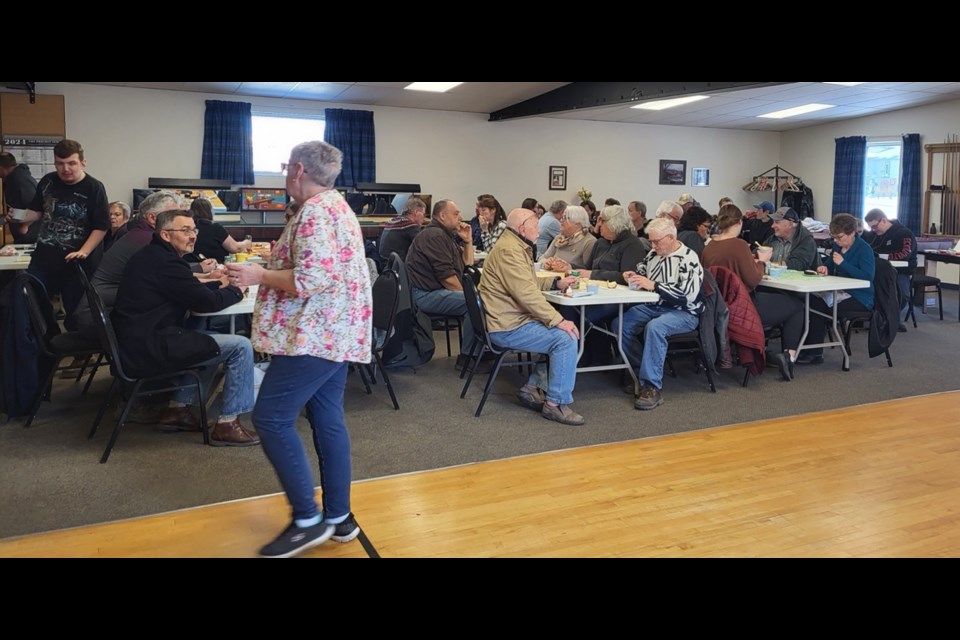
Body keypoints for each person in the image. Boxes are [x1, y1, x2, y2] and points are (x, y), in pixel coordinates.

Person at [224, 140, 372, 559]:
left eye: (288, 165)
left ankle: (307, 519)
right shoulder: (335, 207)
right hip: (335, 333)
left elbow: (311, 280)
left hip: (316, 335)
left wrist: (257, 274)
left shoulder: (315, 213)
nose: (286, 171)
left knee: (270, 418)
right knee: (327, 419)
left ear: (299, 170)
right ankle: (340, 517)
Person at [112, 209, 260, 446]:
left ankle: (178, 411)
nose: (192, 236)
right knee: (240, 346)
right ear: (166, 235)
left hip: (136, 339)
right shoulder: (166, 263)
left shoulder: (154, 257)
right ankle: (228, 424)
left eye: (194, 230)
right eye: (185, 230)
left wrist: (220, 288)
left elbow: (191, 293)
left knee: (204, 337)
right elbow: (206, 302)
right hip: (149, 346)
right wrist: (236, 290)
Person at [479, 208, 584, 425]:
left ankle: (532, 387)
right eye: (536, 225)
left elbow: (527, 284)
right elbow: (526, 294)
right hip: (507, 326)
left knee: (561, 331)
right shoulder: (510, 251)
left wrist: (556, 283)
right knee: (566, 338)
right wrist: (558, 321)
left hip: (507, 319)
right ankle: (555, 404)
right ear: (522, 227)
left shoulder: (512, 245)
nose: (540, 229)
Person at [701, 204, 803, 380]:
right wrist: (762, 261)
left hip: (717, 306)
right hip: (743, 307)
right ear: (739, 222)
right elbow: (753, 279)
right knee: (796, 306)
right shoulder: (739, 245)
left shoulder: (709, 246)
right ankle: (789, 356)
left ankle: (769, 351)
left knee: (780, 302)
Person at [614, 217, 704, 411]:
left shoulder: (689, 258)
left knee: (656, 328)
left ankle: (651, 386)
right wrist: (634, 275)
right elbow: (643, 268)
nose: (653, 246)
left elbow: (687, 296)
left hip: (683, 312)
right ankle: (638, 372)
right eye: (651, 241)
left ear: (671, 237)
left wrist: (654, 285)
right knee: (620, 324)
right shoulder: (654, 253)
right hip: (654, 306)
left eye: (657, 241)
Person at [21, 139, 109, 331]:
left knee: (75, 313)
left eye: (71, 163)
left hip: (76, 262)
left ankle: (78, 354)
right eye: (60, 163)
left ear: (82, 163)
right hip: (44, 258)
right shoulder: (48, 181)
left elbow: (101, 227)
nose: (65, 168)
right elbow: (37, 211)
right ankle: (46, 345)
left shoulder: (94, 187)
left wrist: (84, 251)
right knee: (32, 304)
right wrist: (21, 217)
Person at [405, 198, 476, 367]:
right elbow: (448, 280)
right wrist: (472, 296)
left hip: (432, 291)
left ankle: (478, 351)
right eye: (456, 213)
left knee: (478, 300)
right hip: (424, 295)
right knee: (476, 304)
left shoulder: (444, 234)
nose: (460, 217)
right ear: (443, 216)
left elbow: (468, 263)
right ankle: (468, 358)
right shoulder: (435, 236)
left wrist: (468, 241)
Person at [800, 213, 876, 365]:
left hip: (860, 297)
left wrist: (843, 264)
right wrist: (824, 267)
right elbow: (830, 264)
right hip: (841, 291)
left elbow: (867, 278)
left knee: (818, 307)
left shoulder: (864, 249)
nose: (836, 241)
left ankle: (815, 352)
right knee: (811, 302)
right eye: (834, 237)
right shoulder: (838, 246)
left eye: (840, 237)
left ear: (852, 233)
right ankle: (810, 349)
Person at [864, 208, 916, 320]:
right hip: (879, 270)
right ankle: (876, 316)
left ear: (883, 220)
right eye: (871, 227)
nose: (873, 230)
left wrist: (880, 256)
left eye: (874, 226)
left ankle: (892, 319)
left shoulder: (904, 233)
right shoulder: (874, 235)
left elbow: (904, 255)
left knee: (902, 294)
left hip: (900, 272)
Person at [188, 197, 250, 263]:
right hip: (215, 268)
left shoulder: (188, 228)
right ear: (209, 211)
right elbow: (236, 248)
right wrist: (246, 243)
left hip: (191, 268)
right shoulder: (215, 228)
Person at [761, 206, 820, 272]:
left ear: (790, 224)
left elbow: (799, 264)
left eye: (777, 222)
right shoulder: (772, 239)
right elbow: (759, 251)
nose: (772, 226)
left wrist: (773, 265)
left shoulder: (806, 240)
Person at [540, 205, 597, 270]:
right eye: (561, 218)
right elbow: (542, 258)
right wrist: (546, 262)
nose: (561, 221)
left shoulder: (589, 242)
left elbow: (587, 269)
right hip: (553, 277)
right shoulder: (559, 239)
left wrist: (568, 268)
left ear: (577, 223)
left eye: (565, 218)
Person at [0, 151, 39, 244]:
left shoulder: (20, 180)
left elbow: (36, 206)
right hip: (23, 234)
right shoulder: (13, 179)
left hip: (30, 235)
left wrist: (25, 225)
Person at [378, 196, 426, 262]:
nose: (424, 218)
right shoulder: (410, 226)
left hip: (385, 264)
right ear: (416, 212)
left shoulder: (393, 221)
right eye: (423, 214)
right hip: (397, 267)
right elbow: (423, 248)